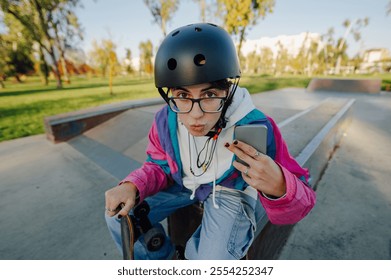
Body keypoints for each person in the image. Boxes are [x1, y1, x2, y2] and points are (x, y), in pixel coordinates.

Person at [105, 23, 316, 260]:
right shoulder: (165, 120)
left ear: (228, 90)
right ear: (170, 94)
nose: (195, 114)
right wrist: (132, 185)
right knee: (118, 215)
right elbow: (159, 166)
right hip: (182, 184)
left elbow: (304, 196)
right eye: (183, 96)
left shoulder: (256, 125)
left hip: (229, 191)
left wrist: (280, 186)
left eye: (209, 95)